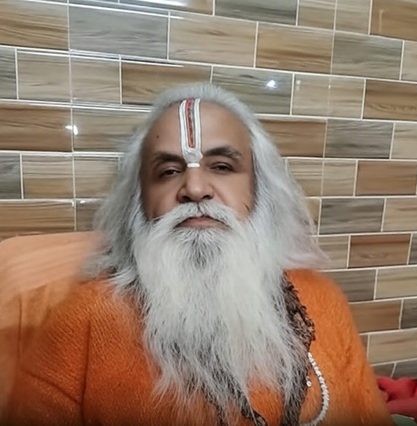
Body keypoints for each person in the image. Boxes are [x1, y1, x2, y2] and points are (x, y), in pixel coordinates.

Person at [4, 83, 394, 426]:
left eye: (222, 166)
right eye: (168, 172)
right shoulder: (83, 320)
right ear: (138, 204)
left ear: (260, 193)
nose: (194, 188)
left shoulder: (322, 301)